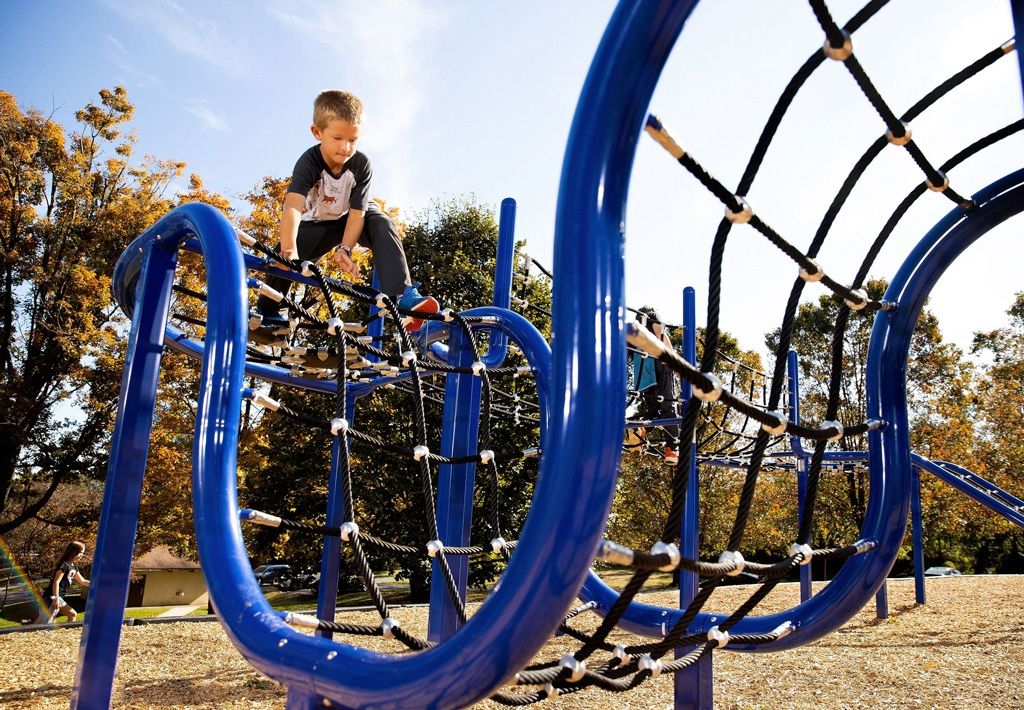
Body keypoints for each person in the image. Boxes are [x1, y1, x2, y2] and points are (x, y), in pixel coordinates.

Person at [254, 90, 437, 332]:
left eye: (353, 140)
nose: (345, 147)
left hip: (355, 217)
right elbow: (292, 206)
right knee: (285, 251)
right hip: (319, 222)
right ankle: (270, 308)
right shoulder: (308, 163)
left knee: (383, 223)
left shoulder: (361, 164)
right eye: (338, 138)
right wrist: (289, 248)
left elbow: (357, 213)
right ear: (317, 132)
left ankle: (402, 295)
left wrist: (346, 248)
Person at [633, 306, 681, 464]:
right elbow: (660, 331)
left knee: (654, 410)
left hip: (644, 372)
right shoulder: (652, 317)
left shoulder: (636, 328)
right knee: (669, 406)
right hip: (661, 366)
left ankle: (640, 428)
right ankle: (672, 448)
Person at [37, 541, 90, 624]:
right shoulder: (64, 565)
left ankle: (67, 633)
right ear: (73, 552)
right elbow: (56, 582)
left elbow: (83, 581)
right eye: (81, 552)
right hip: (51, 597)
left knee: (71, 615)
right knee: (43, 624)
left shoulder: (74, 567)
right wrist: (56, 598)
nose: (82, 555)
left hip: (56, 598)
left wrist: (97, 584)